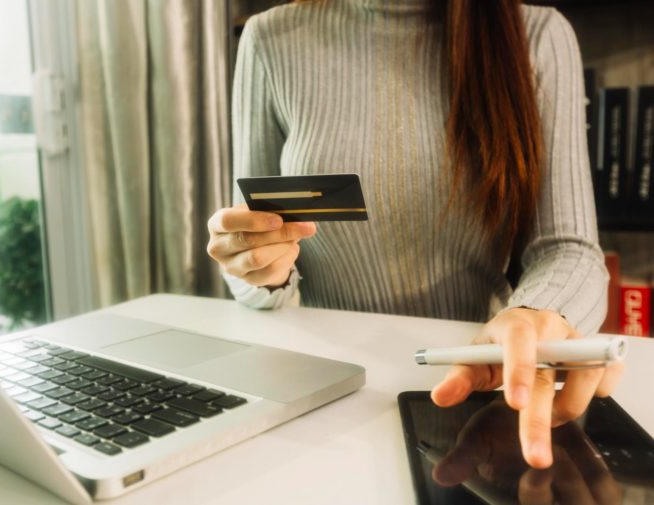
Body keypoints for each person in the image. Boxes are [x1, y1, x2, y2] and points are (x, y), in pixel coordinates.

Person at [206, 0, 623, 469]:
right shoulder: (269, 38)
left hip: (475, 382)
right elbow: (252, 250)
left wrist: (538, 313)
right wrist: (257, 269)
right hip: (321, 389)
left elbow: (569, 247)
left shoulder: (539, 35)